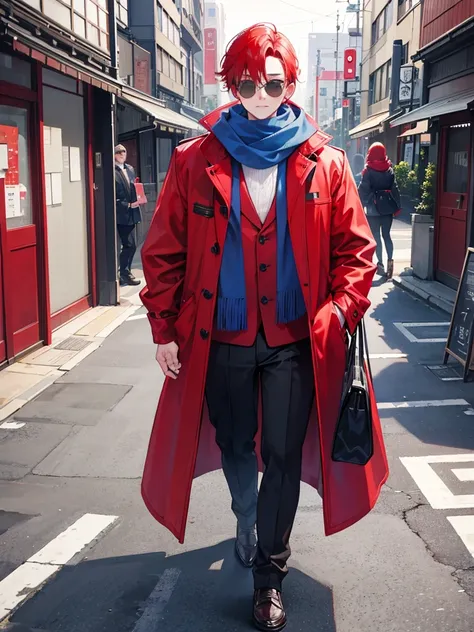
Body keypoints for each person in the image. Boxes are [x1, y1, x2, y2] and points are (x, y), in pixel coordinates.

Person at [140, 24, 388, 631]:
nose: (258, 95)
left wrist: (334, 315)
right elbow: (164, 251)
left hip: (292, 341)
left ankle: (268, 576)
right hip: (219, 335)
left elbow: (357, 256)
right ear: (231, 82)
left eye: (271, 83)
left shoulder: (324, 163)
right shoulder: (194, 160)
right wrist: (163, 328)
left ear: (289, 83)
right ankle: (245, 515)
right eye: (247, 83)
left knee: (280, 454)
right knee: (233, 443)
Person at [358, 142, 401, 280]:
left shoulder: (368, 171)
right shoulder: (389, 170)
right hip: (387, 207)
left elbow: (363, 191)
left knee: (376, 236)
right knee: (387, 235)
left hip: (373, 209)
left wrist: (359, 204)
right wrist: (397, 206)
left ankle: (380, 264)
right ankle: (390, 263)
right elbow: (395, 189)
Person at [114, 144, 141, 286]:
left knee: (132, 245)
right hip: (120, 213)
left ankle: (126, 272)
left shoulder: (130, 169)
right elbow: (111, 196)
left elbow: (135, 187)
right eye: (118, 152)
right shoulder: (112, 170)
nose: (122, 154)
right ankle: (124, 273)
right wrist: (125, 204)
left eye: (124, 151)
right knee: (129, 244)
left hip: (132, 212)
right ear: (114, 154)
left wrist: (139, 198)